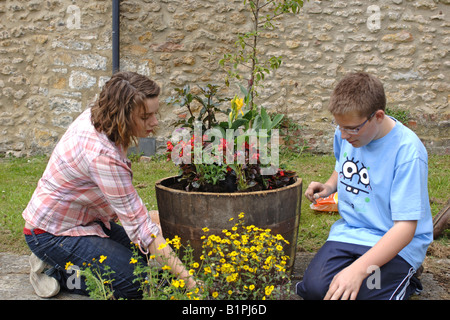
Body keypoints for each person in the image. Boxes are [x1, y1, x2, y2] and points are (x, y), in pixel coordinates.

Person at [23, 71, 196, 299]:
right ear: (123, 115)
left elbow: (126, 209)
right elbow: (143, 230)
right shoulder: (102, 155)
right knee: (138, 284)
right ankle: (58, 272)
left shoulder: (102, 117)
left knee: (147, 260)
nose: (154, 122)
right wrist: (193, 285)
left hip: (86, 222)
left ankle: (65, 262)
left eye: (155, 113)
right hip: (51, 233)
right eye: (145, 117)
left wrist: (149, 223)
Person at [296, 72, 433, 300]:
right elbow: (343, 165)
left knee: (358, 294)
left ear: (378, 116)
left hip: (394, 243)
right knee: (316, 290)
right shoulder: (348, 132)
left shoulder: (408, 152)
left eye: (351, 128)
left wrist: (358, 270)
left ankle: (407, 279)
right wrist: (330, 186)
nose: (343, 134)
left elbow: (405, 228)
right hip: (351, 233)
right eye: (338, 126)